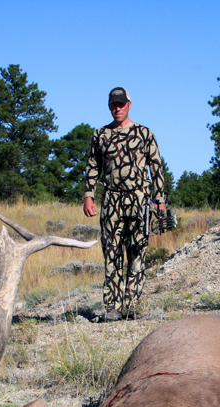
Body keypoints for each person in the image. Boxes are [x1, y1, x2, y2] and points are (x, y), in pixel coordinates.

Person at [83, 87, 165, 321]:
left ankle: (132, 306)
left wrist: (159, 200)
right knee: (111, 252)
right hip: (111, 199)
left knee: (137, 252)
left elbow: (156, 167)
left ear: (129, 104)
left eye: (120, 104)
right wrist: (88, 195)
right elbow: (92, 166)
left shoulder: (144, 133)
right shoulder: (100, 135)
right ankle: (113, 307)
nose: (116, 108)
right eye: (112, 104)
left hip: (140, 199)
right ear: (109, 106)